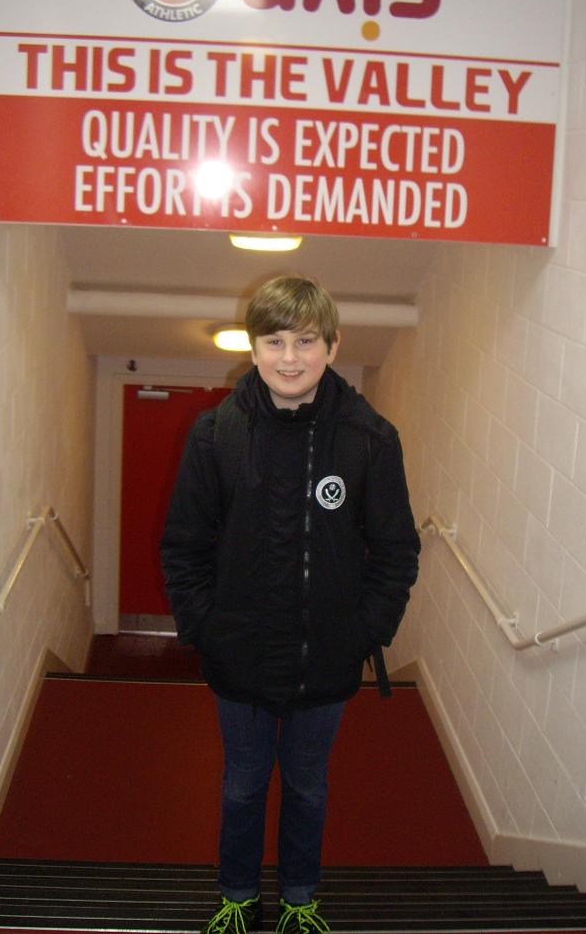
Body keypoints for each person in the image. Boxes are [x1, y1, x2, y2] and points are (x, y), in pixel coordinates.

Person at [160, 275, 420, 934]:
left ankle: (300, 899)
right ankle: (238, 896)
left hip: (325, 660)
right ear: (253, 348)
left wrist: (363, 631)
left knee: (307, 784)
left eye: (305, 341)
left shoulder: (369, 438)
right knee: (243, 783)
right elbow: (184, 545)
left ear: (332, 346)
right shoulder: (215, 434)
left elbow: (396, 553)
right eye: (274, 341)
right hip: (238, 657)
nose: (289, 357)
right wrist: (205, 628)